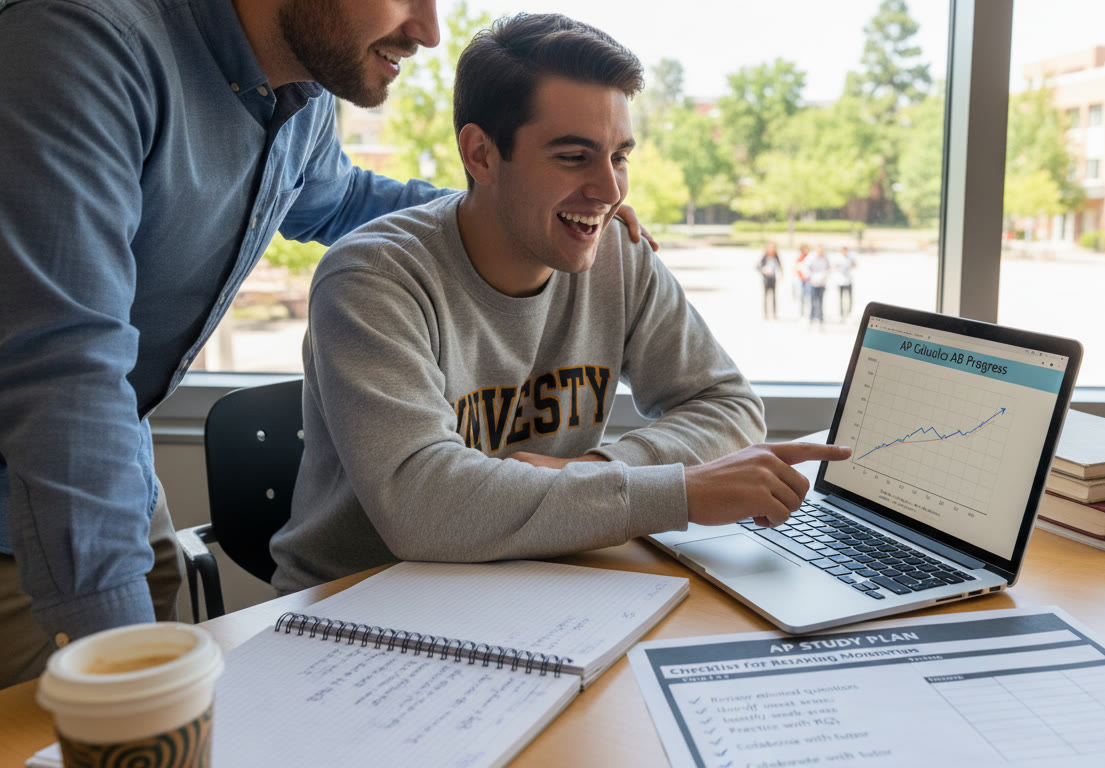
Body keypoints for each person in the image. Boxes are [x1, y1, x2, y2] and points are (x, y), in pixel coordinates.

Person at [0, 0, 654, 688]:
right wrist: (120, 665)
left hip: (120, 481)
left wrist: (530, 208)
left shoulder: (298, 100)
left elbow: (342, 201)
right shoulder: (82, 48)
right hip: (41, 504)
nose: (428, 32)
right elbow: (64, 378)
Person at [269, 13, 850, 593]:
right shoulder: (372, 278)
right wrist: (679, 492)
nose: (610, 191)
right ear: (480, 154)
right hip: (365, 605)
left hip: (541, 584)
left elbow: (729, 407)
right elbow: (423, 506)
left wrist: (596, 471)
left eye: (619, 156)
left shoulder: (617, 256)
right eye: (574, 157)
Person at [805, 246, 831, 326]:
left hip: (821, 283)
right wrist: (811, 277)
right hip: (812, 283)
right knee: (812, 302)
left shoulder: (825, 258)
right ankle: (811, 318)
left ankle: (820, 319)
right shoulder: (811, 257)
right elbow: (806, 268)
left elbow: (829, 268)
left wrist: (824, 276)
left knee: (820, 302)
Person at [759, 241, 782, 320]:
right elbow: (758, 266)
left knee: (774, 297)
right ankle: (766, 314)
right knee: (766, 297)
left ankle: (774, 313)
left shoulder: (776, 257)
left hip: (773, 278)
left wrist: (780, 276)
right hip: (766, 279)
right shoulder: (764, 257)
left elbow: (780, 267)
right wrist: (763, 270)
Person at [833, 245, 856, 319]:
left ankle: (849, 312)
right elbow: (834, 266)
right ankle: (841, 313)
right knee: (841, 298)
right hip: (840, 281)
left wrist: (850, 266)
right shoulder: (838, 257)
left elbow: (855, 265)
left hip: (848, 280)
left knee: (849, 297)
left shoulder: (850, 257)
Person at [794, 244, 812, 319]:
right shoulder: (799, 259)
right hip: (801, 280)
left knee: (809, 297)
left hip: (808, 280)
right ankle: (802, 313)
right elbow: (796, 269)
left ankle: (809, 313)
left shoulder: (810, 258)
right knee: (801, 296)